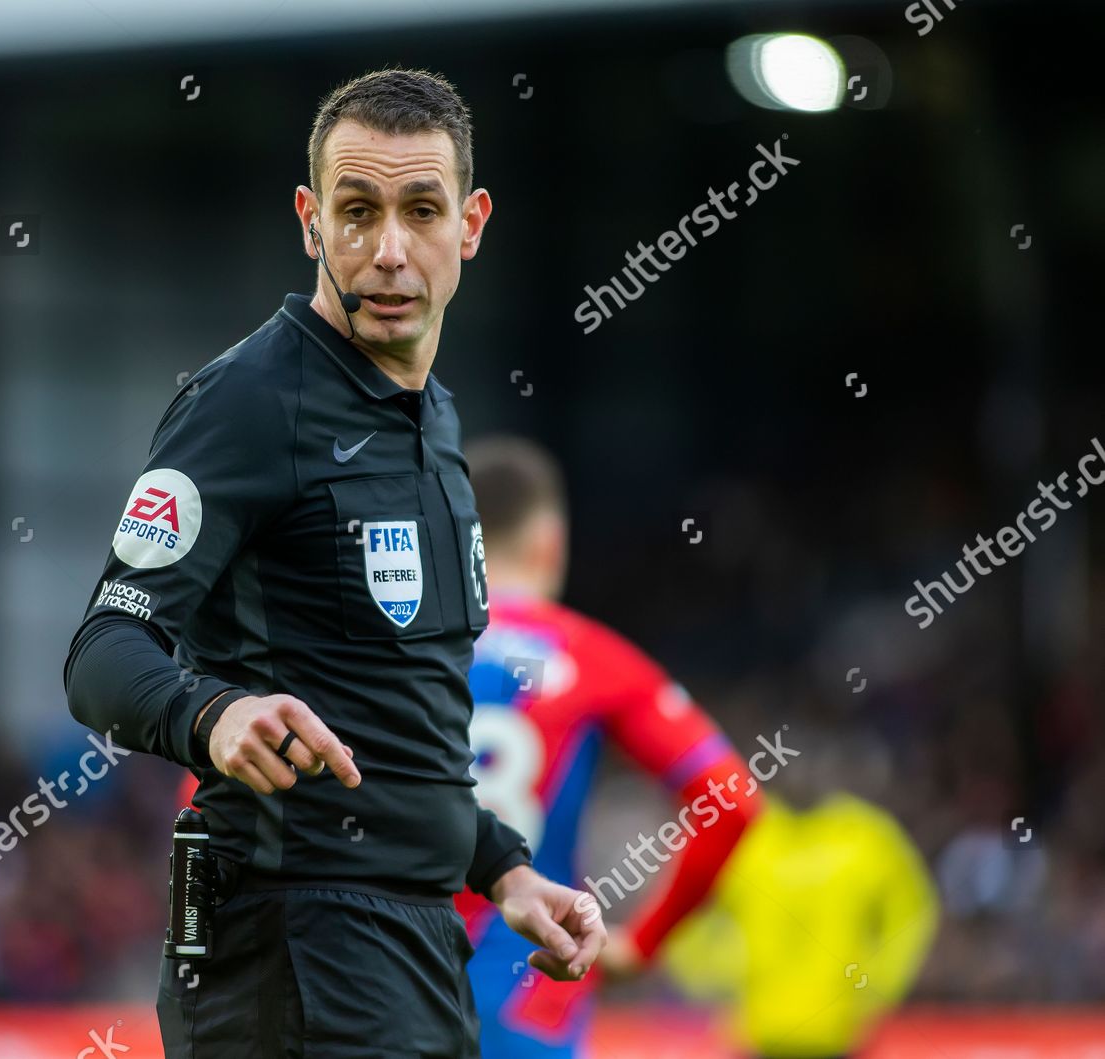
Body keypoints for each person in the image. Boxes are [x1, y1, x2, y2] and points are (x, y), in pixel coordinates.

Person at [64, 68, 606, 1058]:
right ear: (312, 220)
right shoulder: (247, 404)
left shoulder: (434, 421)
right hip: (286, 943)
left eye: (421, 211)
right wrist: (211, 713)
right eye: (358, 212)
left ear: (471, 224)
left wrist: (505, 873)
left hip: (421, 944)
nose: (389, 251)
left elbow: (400, 720)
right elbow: (103, 649)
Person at [455, 435, 762, 1057]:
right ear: (550, 544)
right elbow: (731, 802)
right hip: (535, 993)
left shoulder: (391, 656)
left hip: (393, 988)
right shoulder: (595, 657)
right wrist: (645, 944)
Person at [661, 738, 939, 1059]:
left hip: (838, 1036)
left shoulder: (867, 838)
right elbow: (682, 905)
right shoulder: (747, 831)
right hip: (760, 1035)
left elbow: (913, 913)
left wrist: (878, 986)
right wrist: (717, 972)